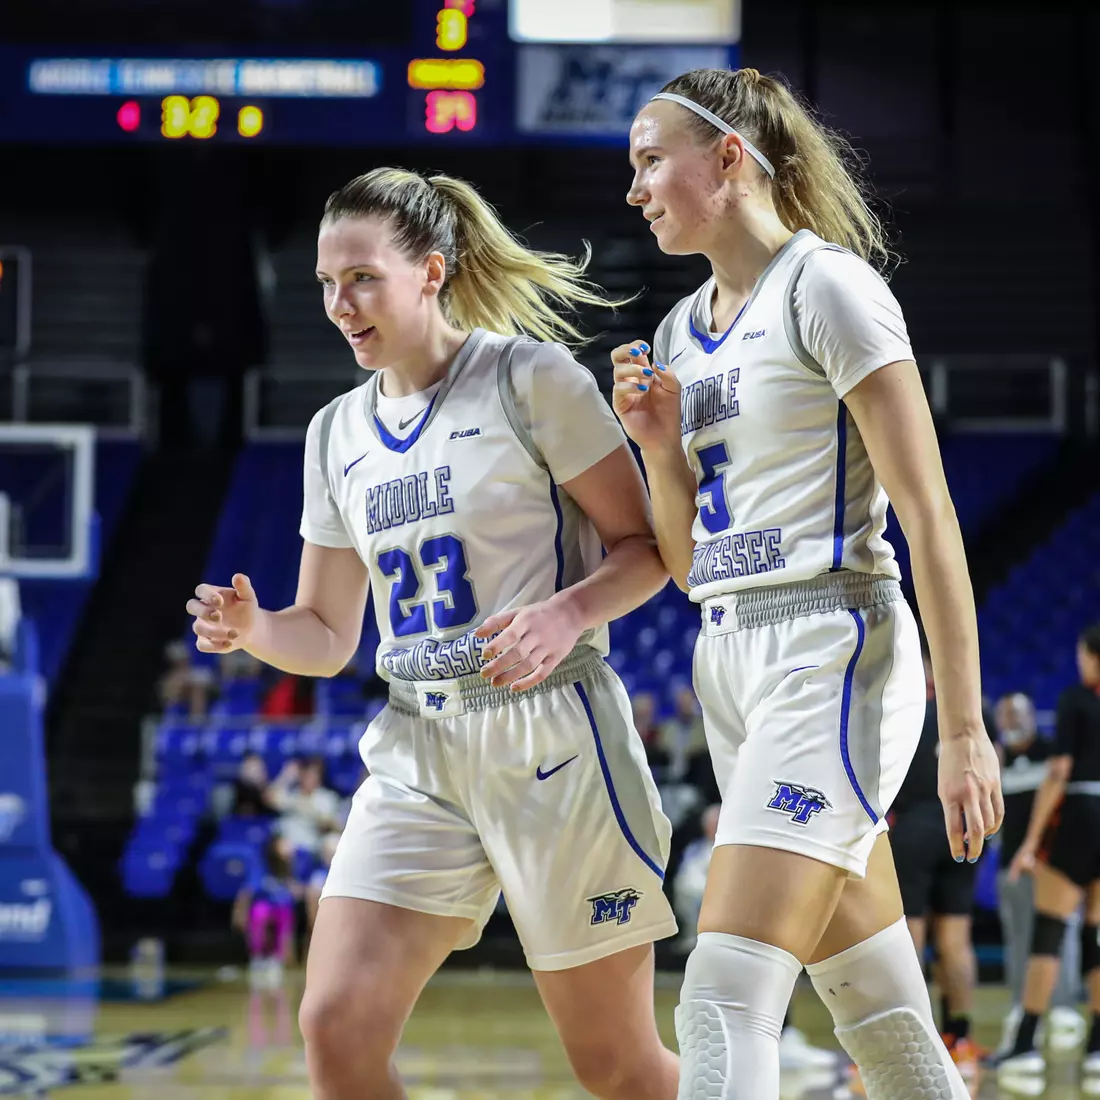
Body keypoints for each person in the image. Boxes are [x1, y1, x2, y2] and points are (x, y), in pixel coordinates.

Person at [186, 166, 679, 1100]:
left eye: (363, 276)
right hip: (417, 742)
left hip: (553, 735)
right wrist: (256, 629)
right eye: (327, 283)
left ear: (431, 271)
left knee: (617, 1068)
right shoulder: (335, 433)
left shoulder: (530, 379)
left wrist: (567, 610)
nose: (341, 302)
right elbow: (329, 635)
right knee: (335, 1030)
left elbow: (646, 548)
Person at [613, 66, 1002, 1098]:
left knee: (722, 995)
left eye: (652, 160)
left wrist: (962, 731)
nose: (635, 187)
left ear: (727, 158)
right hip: (730, 654)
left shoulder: (826, 286)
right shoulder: (673, 335)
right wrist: (657, 451)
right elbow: (690, 568)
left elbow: (928, 515)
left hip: (831, 646)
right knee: (879, 1018)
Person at [888, 645, 997, 1081]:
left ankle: (914, 1042)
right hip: (964, 826)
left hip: (912, 827)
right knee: (956, 939)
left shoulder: (900, 710)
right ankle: (961, 1037)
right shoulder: (970, 720)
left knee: (910, 938)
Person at [998, 625, 1100, 1076]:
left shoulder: (1076, 699)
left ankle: (1024, 1046)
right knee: (1096, 937)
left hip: (1081, 812)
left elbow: (1058, 771)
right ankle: (1097, 1049)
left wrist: (1031, 842)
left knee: (1049, 930)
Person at [993, 690, 1084, 1061]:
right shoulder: (994, 760)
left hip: (1055, 863)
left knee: (1063, 936)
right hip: (1010, 867)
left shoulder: (1054, 754)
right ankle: (1022, 1005)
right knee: (1019, 938)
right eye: (1006, 715)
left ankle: (1062, 1007)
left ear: (1034, 716)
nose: (1013, 721)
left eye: (1019, 714)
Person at [232, 835, 301, 988]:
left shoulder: (291, 867)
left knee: (284, 915)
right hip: (264, 905)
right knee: (260, 913)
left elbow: (296, 891)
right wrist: (239, 911)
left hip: (282, 908)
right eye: (283, 845)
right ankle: (258, 956)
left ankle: (276, 958)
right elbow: (247, 892)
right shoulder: (261, 866)